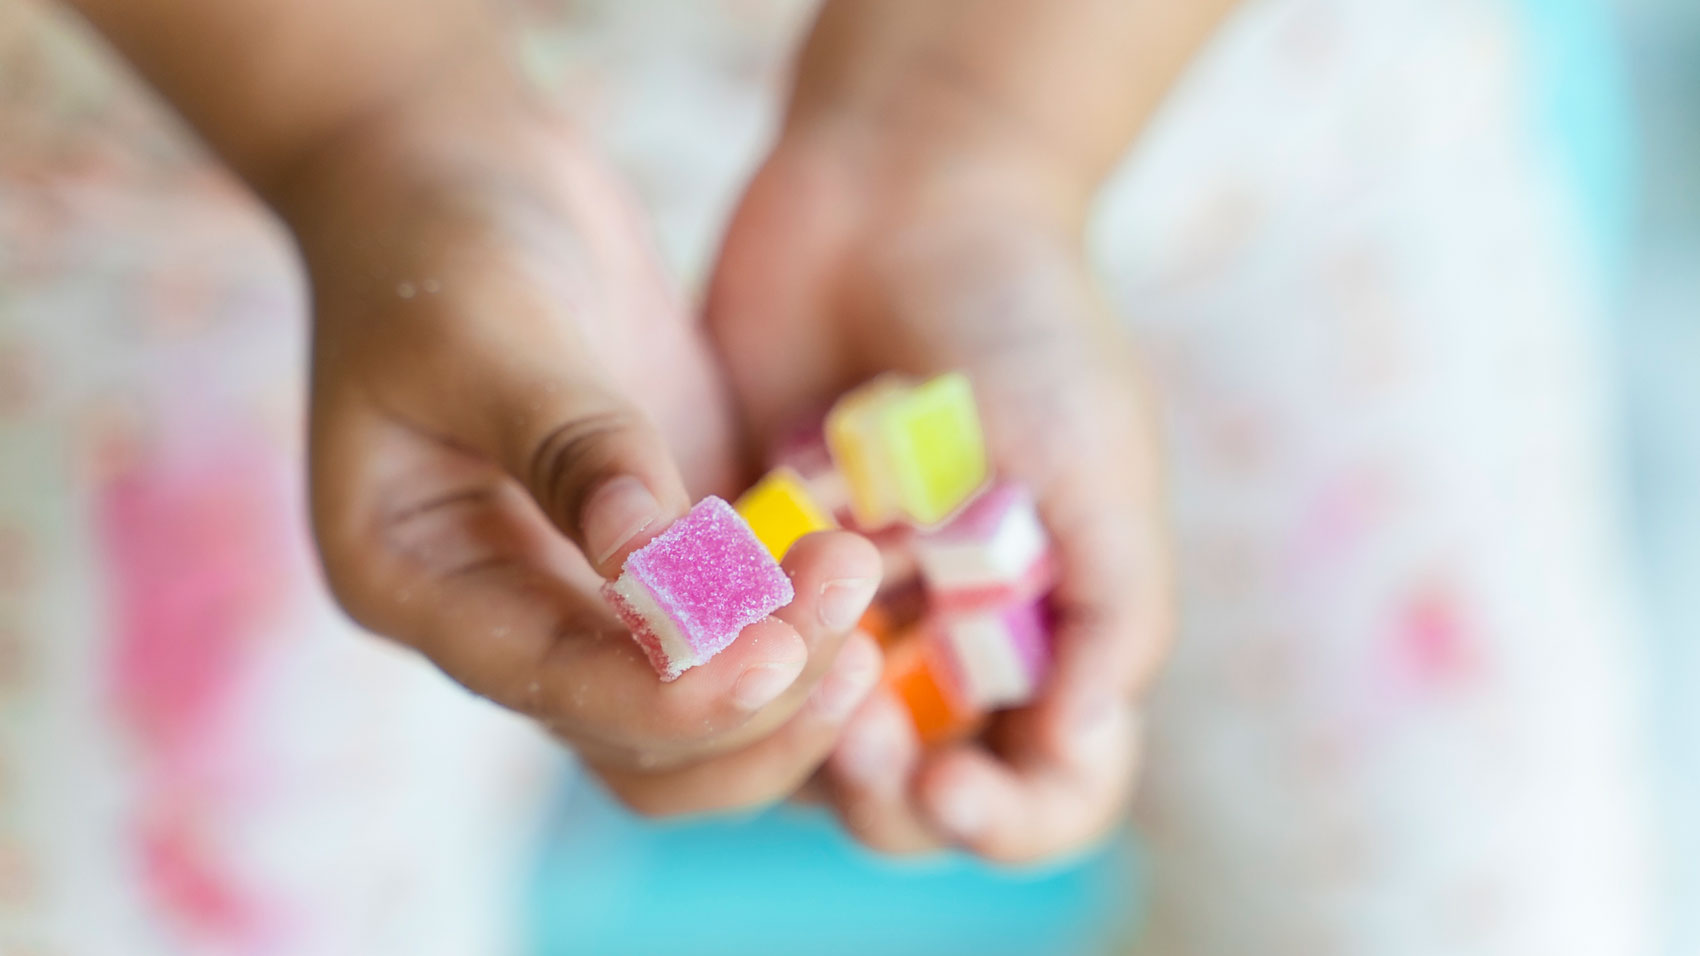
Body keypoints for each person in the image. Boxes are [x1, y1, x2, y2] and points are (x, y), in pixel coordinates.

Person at [6, 0, 1653, 952]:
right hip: (242, 148)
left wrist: (969, 135)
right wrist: (374, 133)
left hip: (1223, 116)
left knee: (1503, 899)